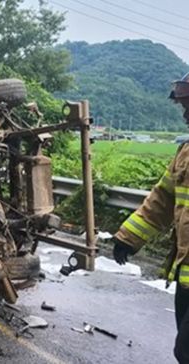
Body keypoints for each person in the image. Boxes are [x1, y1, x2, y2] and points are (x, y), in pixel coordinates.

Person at [112, 73, 189, 363]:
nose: (184, 113)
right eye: (183, 105)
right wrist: (128, 238)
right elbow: (162, 200)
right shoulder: (185, 153)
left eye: (188, 105)